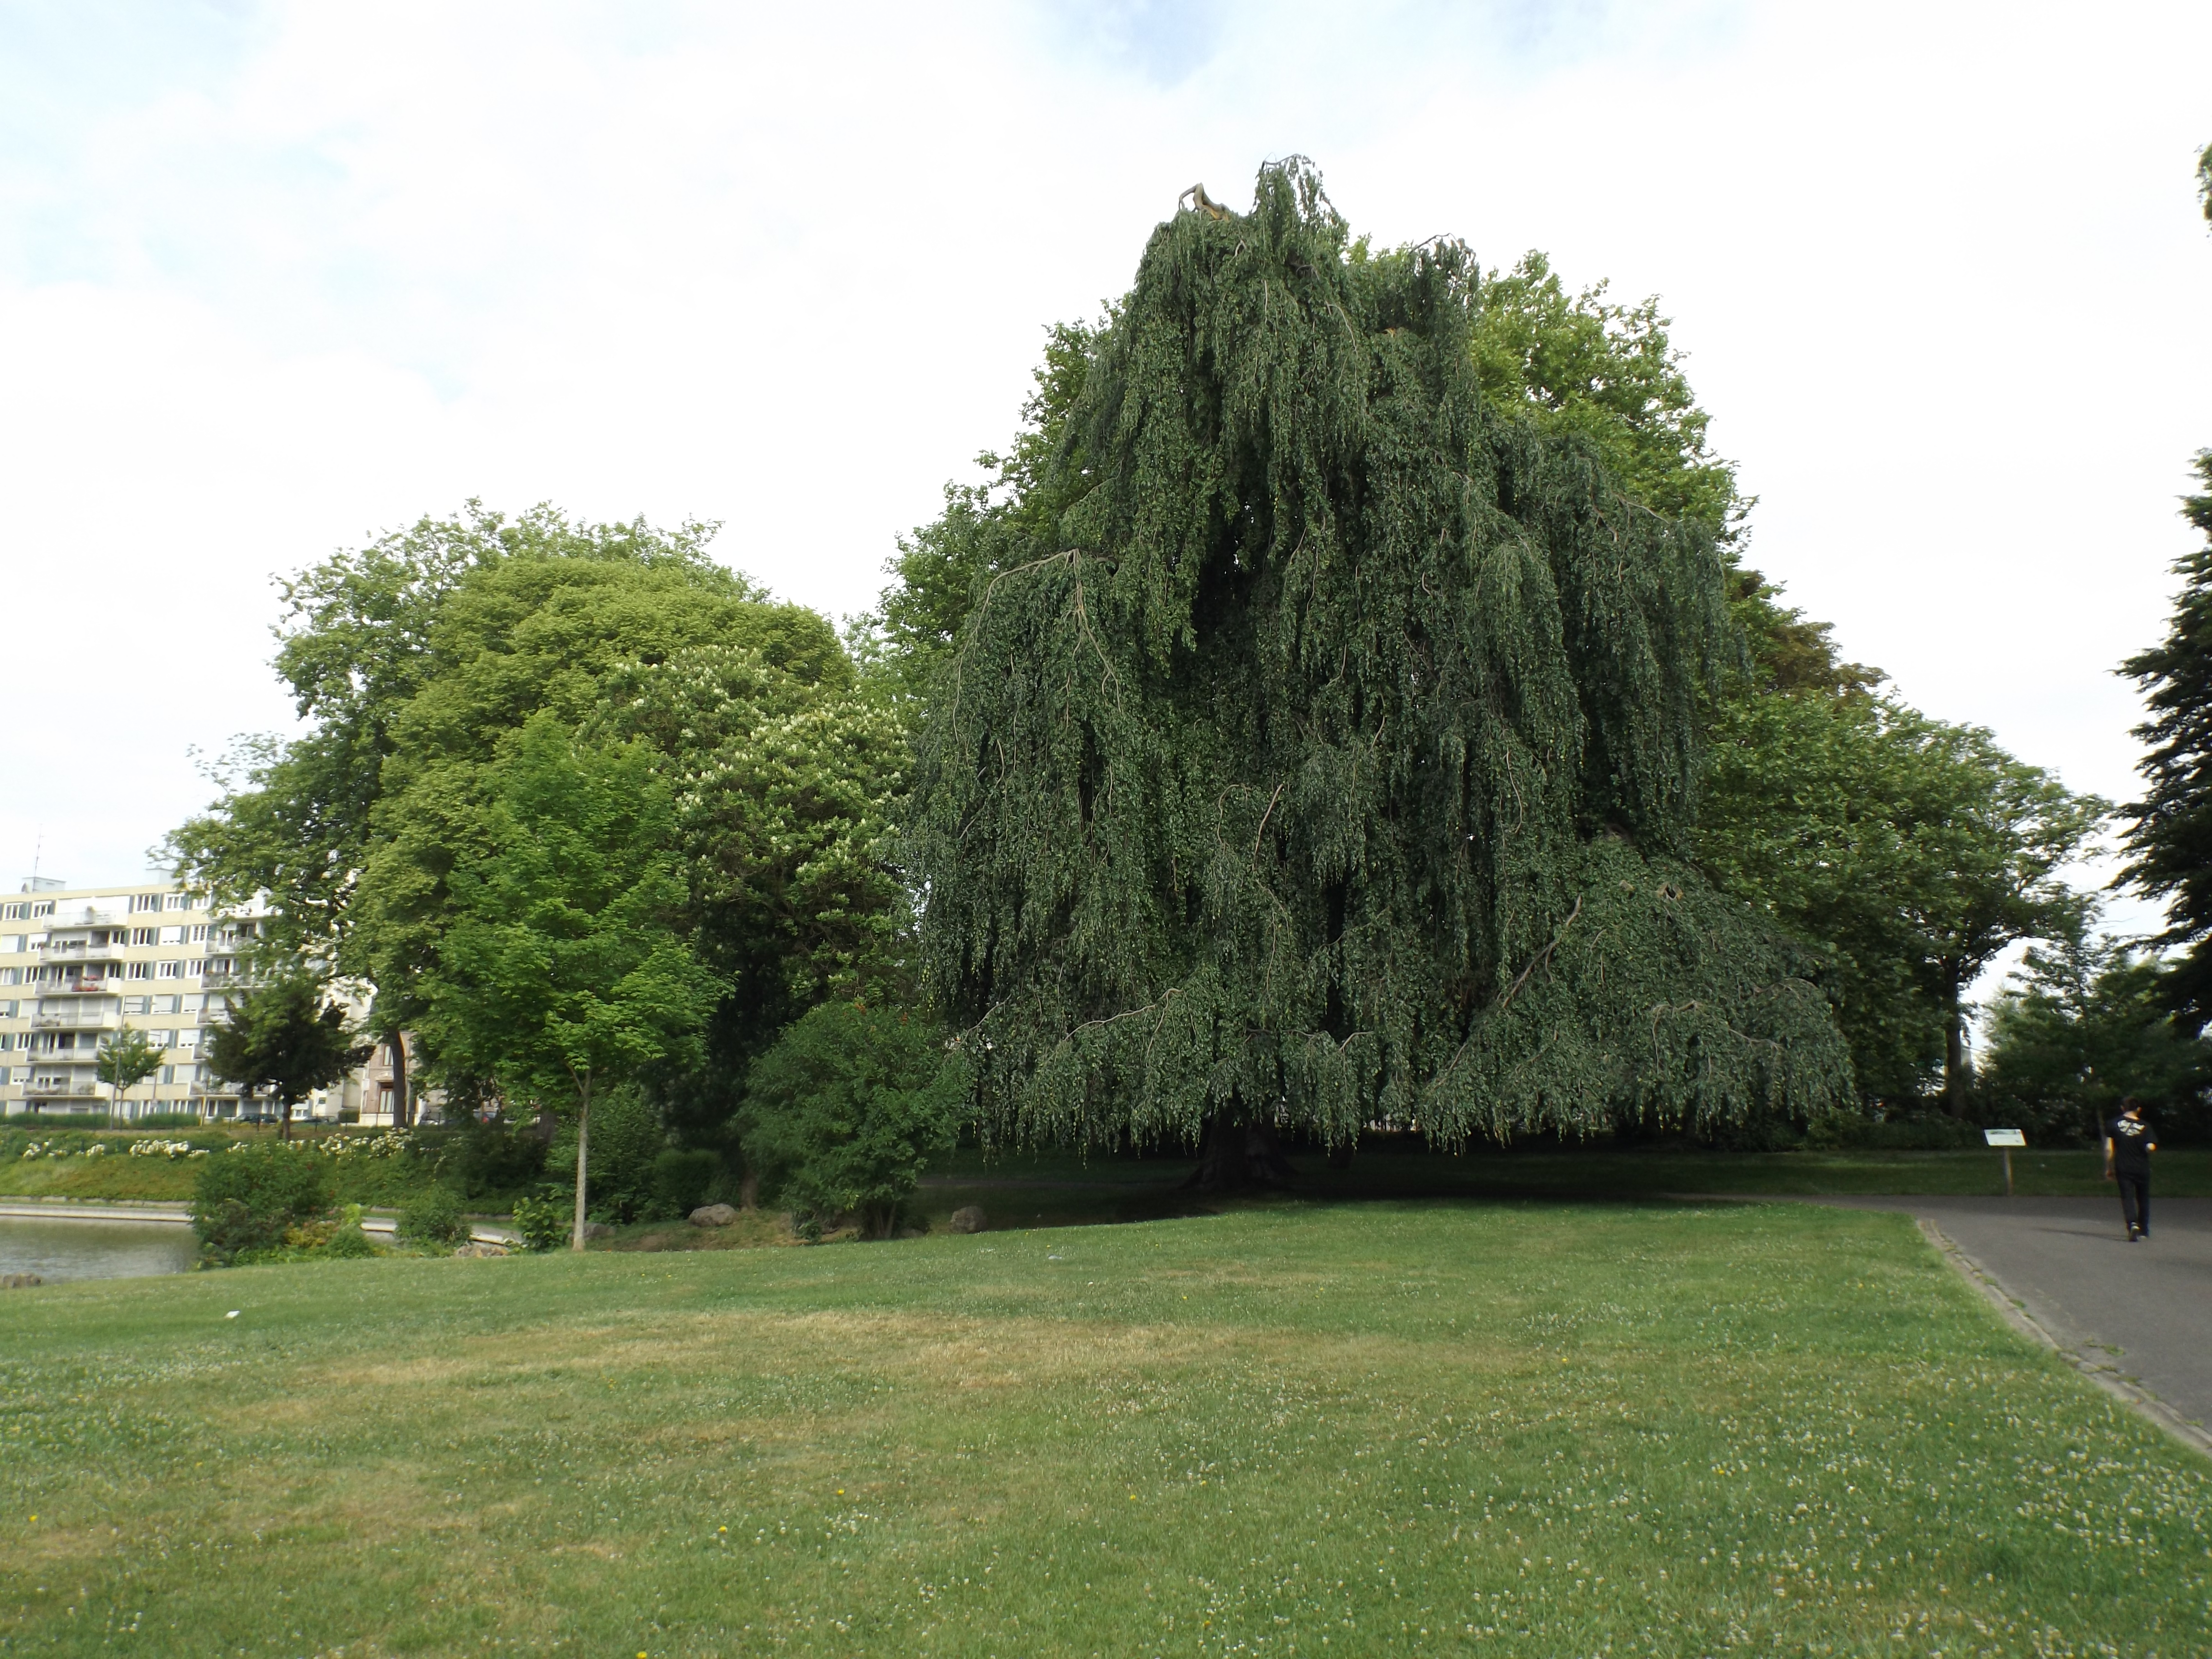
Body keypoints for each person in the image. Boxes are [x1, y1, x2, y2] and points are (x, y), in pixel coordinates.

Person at [2103, 1096, 2156, 1242]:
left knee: (2127, 1197)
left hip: (2123, 1166)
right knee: (2143, 1197)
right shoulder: (2146, 1126)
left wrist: (2109, 1167)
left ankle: (2132, 1224)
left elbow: (2109, 1149)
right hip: (2142, 1167)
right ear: (2138, 1109)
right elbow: (2151, 1146)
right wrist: (2148, 1149)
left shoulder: (2113, 1124)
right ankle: (2144, 1229)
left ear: (2122, 1108)